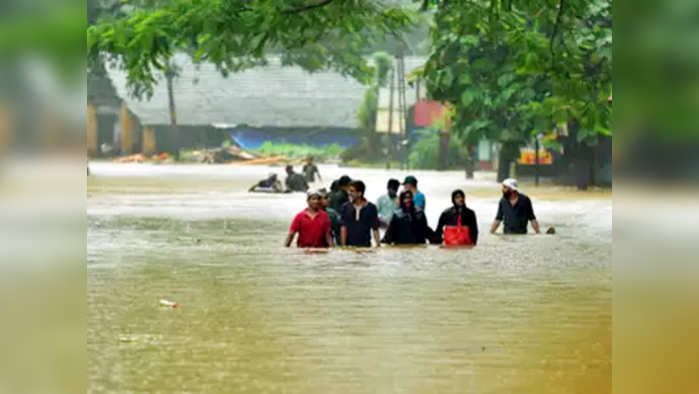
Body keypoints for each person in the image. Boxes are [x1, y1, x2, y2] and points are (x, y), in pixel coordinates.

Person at [340, 180, 380, 247]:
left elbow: (375, 228)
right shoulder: (346, 207)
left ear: (359, 193)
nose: (349, 193)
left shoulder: (371, 208)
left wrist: (378, 245)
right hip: (349, 246)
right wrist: (343, 246)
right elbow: (343, 228)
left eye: (352, 191)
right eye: (349, 191)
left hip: (366, 246)